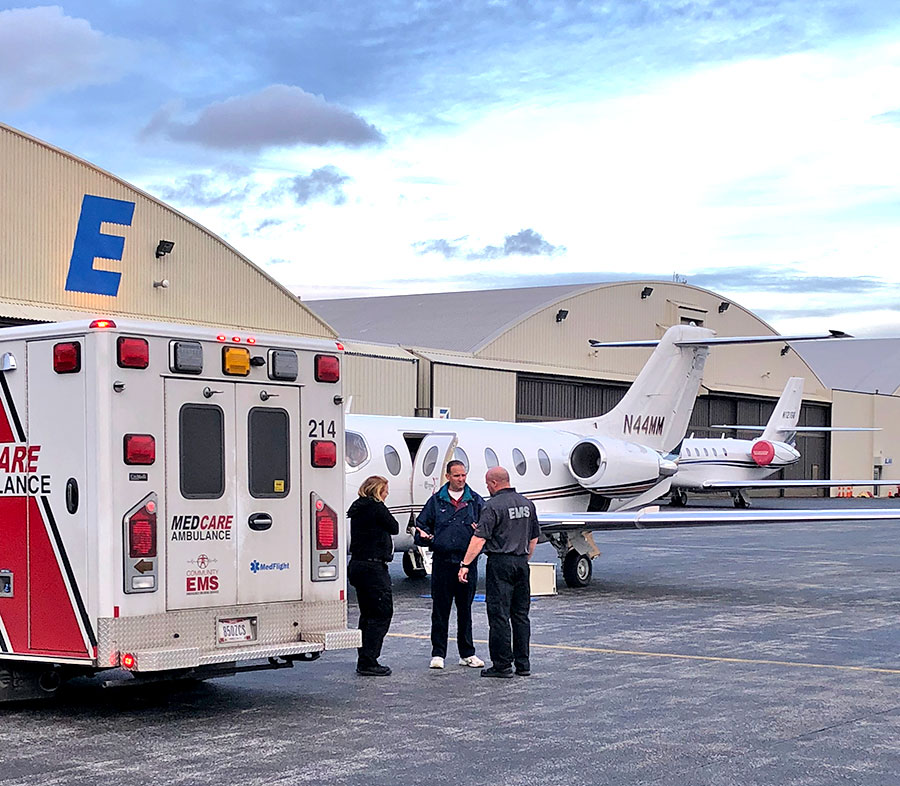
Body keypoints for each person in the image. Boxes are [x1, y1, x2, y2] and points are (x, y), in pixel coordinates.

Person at [458, 466, 540, 678]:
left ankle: (502, 665)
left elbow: (479, 538)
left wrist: (465, 563)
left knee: (499, 615)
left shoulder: (492, 506)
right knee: (521, 615)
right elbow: (533, 538)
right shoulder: (527, 504)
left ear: (494, 483)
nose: (487, 488)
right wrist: (524, 558)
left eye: (487, 484)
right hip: (521, 563)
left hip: (500, 564)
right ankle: (523, 664)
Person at [415, 460, 486, 670]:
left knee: (465, 610)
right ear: (447, 476)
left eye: (464, 475)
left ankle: (467, 653)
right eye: (457, 476)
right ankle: (438, 653)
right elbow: (421, 524)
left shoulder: (475, 501)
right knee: (440, 610)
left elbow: (487, 528)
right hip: (443, 563)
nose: (461, 479)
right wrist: (426, 537)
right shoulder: (436, 501)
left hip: (467, 563)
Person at [347, 475, 399, 676]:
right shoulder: (376, 507)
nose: (387, 494)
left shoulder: (357, 507)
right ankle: (369, 659)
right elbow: (394, 527)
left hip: (358, 564)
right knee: (381, 613)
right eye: (385, 490)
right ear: (378, 491)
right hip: (374, 567)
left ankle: (364, 656)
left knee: (367, 614)